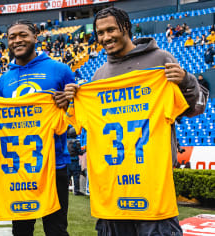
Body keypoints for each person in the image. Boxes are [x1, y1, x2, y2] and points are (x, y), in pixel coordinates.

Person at [64, 7, 202, 236]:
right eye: (100, 33)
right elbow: (78, 125)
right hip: (112, 187)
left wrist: (186, 80)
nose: (105, 37)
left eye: (111, 29)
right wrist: (74, 98)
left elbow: (193, 108)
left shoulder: (160, 60)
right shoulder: (98, 76)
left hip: (153, 184)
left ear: (125, 27)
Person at [0, 19, 74, 236]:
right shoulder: (5, 79)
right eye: (12, 37)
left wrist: (68, 102)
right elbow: (4, 120)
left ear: (35, 37)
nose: (17, 40)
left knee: (56, 230)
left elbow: (76, 109)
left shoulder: (60, 70)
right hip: (18, 167)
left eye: (23, 35)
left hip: (54, 163)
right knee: (20, 230)